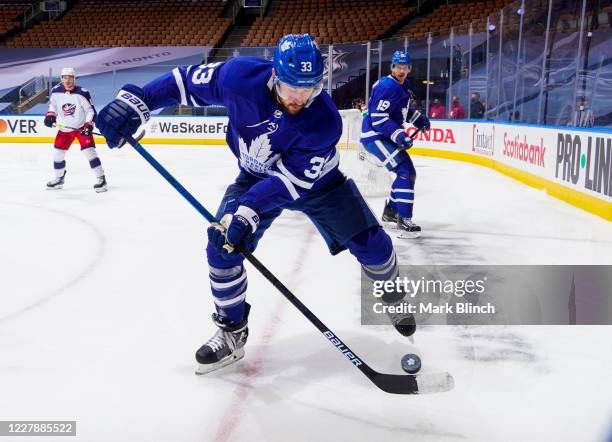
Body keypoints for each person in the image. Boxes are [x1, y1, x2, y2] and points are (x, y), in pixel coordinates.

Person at [95, 34, 415, 374]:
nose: (298, 98)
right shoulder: (239, 78)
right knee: (222, 247)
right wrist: (139, 100)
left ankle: (392, 293)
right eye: (292, 87)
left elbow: (290, 183)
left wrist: (247, 209)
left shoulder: (324, 121)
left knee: (373, 245)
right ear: (275, 75)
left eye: (307, 89)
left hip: (319, 185)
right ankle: (232, 331)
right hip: (253, 176)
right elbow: (184, 82)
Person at [360, 50, 430, 238]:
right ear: (392, 67)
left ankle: (391, 211)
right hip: (375, 136)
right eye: (398, 67)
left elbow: (399, 112)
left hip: (382, 135)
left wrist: (418, 119)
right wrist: (399, 135)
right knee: (405, 171)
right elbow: (378, 118)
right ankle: (403, 218)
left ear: (409, 69)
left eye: (404, 67)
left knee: (406, 171)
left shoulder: (401, 85)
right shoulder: (386, 86)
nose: (401, 70)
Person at [44, 67, 107, 192]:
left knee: (89, 152)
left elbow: (91, 111)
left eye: (70, 77)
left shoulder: (82, 92)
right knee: (57, 154)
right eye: (65, 77)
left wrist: (88, 124)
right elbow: (53, 106)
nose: (67, 80)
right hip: (64, 128)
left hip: (81, 128)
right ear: (61, 79)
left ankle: (101, 179)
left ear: (74, 79)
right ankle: (59, 178)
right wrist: (50, 115)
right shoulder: (56, 91)